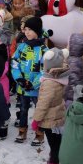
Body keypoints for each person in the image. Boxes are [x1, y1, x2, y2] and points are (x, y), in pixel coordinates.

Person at [31, 48, 70, 164]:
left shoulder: (49, 83)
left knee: (54, 145)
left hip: (51, 119)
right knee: (56, 143)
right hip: (58, 114)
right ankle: (54, 162)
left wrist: (36, 120)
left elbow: (43, 104)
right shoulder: (60, 77)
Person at [11, 16, 48, 144]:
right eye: (25, 29)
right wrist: (19, 79)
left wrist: (34, 83)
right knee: (23, 109)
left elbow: (45, 70)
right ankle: (22, 130)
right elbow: (15, 64)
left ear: (37, 31)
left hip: (36, 88)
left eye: (30, 29)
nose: (27, 32)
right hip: (22, 86)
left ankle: (39, 132)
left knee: (39, 110)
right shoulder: (21, 47)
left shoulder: (44, 50)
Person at [63, 33, 83, 107]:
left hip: (71, 97)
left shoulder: (72, 62)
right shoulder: (78, 58)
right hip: (76, 94)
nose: (66, 46)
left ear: (74, 47)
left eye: (68, 44)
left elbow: (73, 81)